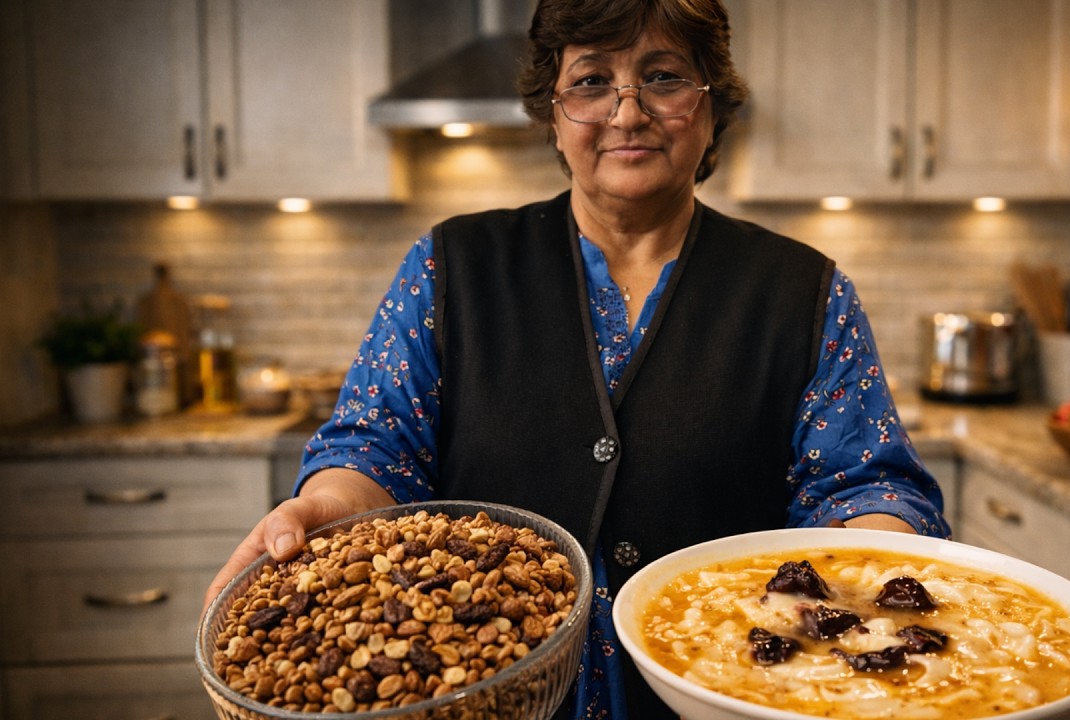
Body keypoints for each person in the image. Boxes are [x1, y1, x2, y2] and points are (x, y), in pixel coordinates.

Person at [204, 0, 950, 717]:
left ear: (712, 104)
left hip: (732, 697)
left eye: (662, 77)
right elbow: (377, 449)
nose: (628, 113)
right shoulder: (449, 268)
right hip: (487, 701)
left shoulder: (806, 291)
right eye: (591, 81)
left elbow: (863, 487)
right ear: (553, 115)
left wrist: (880, 591)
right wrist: (329, 506)